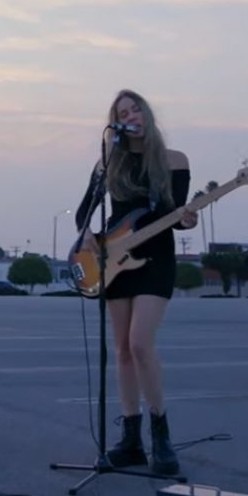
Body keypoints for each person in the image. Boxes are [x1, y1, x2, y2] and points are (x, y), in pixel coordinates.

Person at [74, 89, 198, 476]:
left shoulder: (174, 161)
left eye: (135, 109)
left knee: (140, 343)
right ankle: (131, 440)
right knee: (122, 351)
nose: (130, 115)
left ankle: (162, 435)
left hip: (155, 258)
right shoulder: (109, 163)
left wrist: (188, 218)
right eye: (122, 112)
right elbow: (84, 212)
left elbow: (176, 215)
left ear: (146, 113)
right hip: (115, 260)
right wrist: (89, 235)